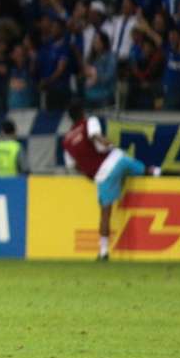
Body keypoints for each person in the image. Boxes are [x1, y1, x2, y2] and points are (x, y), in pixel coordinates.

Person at [62, 101, 160, 260]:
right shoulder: (90, 121)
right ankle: (164, 173)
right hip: (117, 159)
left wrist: (90, 173)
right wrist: (108, 143)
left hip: (102, 175)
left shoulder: (66, 141)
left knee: (105, 213)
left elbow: (72, 166)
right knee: (147, 170)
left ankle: (103, 252)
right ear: (82, 112)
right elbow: (95, 135)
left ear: (69, 118)